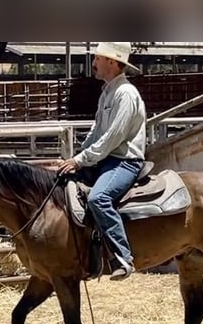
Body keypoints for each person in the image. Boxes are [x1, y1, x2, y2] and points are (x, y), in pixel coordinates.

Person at [57, 42, 146, 280]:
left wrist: (80, 159)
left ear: (112, 62)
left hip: (124, 161)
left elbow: (113, 137)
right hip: (106, 160)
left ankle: (123, 258)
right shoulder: (108, 91)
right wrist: (77, 157)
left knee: (99, 198)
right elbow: (97, 131)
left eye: (98, 58)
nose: (94, 63)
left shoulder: (125, 94)